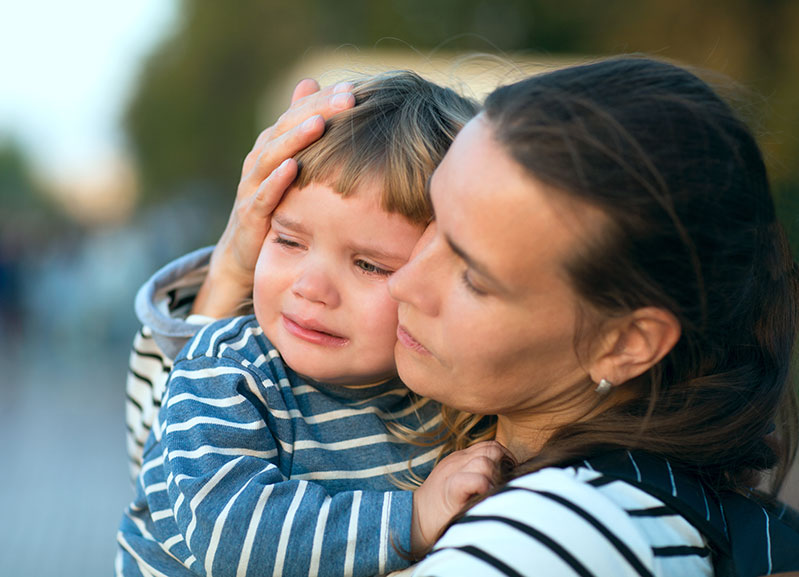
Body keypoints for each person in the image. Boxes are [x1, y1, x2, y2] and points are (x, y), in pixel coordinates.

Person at [125, 56, 799, 576]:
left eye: (471, 272)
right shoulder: (649, 488)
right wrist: (231, 276)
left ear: (624, 343)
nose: (409, 283)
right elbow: (172, 481)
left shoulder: (546, 535)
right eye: (431, 232)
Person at [117, 71, 505, 577]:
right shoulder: (228, 370)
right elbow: (230, 536)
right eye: (289, 241)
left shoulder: (448, 398)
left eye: (369, 265)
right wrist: (413, 517)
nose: (310, 287)